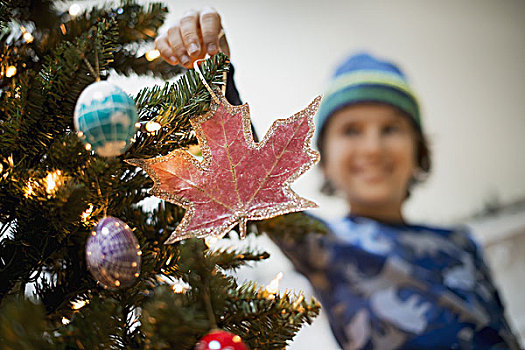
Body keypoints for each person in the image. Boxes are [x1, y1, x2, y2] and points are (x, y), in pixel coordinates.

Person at [156, 9, 520, 349]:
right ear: (324, 162)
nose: (372, 148)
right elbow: (248, 184)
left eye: (391, 129)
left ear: (419, 152)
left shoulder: (463, 244)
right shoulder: (327, 245)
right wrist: (215, 72)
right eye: (351, 131)